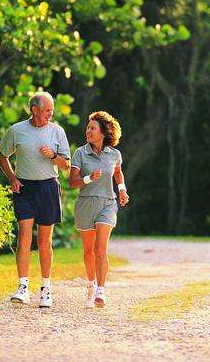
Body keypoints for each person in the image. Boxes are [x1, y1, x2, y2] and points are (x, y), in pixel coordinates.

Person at [0, 92, 71, 308]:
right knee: (24, 237)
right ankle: (23, 288)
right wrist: (12, 177)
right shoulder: (17, 130)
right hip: (25, 187)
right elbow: (3, 155)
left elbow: (66, 164)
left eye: (52, 110)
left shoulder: (57, 131)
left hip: (48, 186)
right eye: (47, 110)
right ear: (34, 109)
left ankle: (46, 289)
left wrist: (52, 156)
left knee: (44, 242)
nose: (51, 114)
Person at [68, 111, 129, 308]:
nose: (88, 131)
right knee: (89, 251)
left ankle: (101, 291)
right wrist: (88, 178)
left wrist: (121, 190)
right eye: (88, 128)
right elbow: (71, 182)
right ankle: (91, 284)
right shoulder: (80, 153)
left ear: (103, 132)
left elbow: (118, 174)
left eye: (92, 128)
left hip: (107, 203)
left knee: (101, 249)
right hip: (85, 204)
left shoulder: (114, 155)